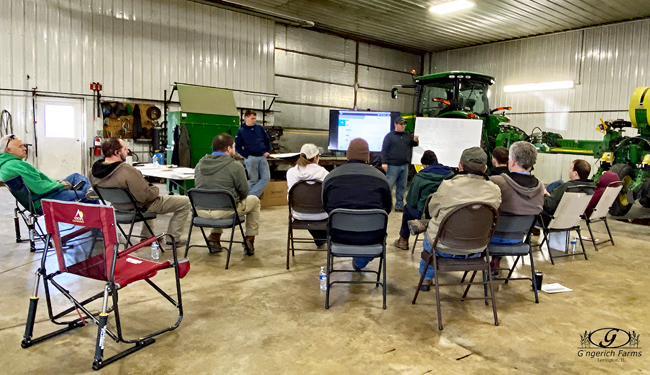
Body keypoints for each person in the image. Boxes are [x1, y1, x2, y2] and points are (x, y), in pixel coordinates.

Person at [418, 147, 501, 291]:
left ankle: (426, 279)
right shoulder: (495, 190)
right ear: (485, 167)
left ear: (460, 165)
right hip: (477, 247)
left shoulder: (447, 186)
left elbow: (432, 211)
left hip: (444, 246)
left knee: (430, 234)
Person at [91, 138, 191, 245]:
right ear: (116, 152)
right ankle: (173, 240)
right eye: (124, 149)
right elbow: (145, 197)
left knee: (144, 198)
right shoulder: (127, 171)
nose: (127, 151)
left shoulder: (93, 172)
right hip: (138, 207)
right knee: (185, 202)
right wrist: (154, 189)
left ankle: (147, 237)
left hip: (117, 206)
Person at [322, 138, 392, 271]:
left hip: (339, 235)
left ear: (347, 154)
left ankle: (360, 261)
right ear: (367, 156)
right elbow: (387, 209)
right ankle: (360, 261)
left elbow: (325, 206)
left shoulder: (331, 177)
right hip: (372, 236)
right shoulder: (381, 179)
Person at [194, 134, 261, 255]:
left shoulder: (199, 165)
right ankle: (249, 239)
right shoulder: (235, 166)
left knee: (217, 200)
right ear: (229, 148)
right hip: (225, 210)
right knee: (254, 200)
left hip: (200, 211)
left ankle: (214, 236)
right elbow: (244, 192)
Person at [489, 141, 544, 273]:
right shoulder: (540, 187)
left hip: (490, 240)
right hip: (519, 241)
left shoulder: (497, 182)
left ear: (511, 162)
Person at [0, 134, 95, 209]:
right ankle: (99, 225)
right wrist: (61, 185)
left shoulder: (7, 165)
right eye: (21, 146)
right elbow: (39, 188)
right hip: (43, 199)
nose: (25, 148)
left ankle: (91, 191)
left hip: (41, 195)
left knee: (75, 177)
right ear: (9, 150)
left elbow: (39, 183)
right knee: (84, 196)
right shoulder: (16, 165)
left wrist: (57, 182)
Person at [393, 150, 452, 250]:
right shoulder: (450, 174)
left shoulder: (421, 176)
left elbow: (411, 200)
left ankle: (403, 240)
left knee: (407, 208)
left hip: (426, 214)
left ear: (424, 165)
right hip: (447, 213)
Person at [286, 143, 329, 249]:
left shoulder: (291, 172)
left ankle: (320, 239)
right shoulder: (325, 174)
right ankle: (322, 238)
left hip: (299, 213)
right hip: (321, 214)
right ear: (315, 157)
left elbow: (289, 197)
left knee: (308, 206)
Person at [381, 116, 419, 212]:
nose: (403, 126)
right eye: (401, 124)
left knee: (401, 187)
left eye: (404, 124)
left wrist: (416, 141)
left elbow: (413, 144)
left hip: (404, 165)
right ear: (395, 125)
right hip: (392, 165)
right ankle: (385, 204)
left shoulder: (406, 136)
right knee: (389, 186)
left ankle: (399, 205)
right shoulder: (389, 137)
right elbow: (384, 150)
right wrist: (384, 163)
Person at [235, 110, 271, 198]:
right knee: (253, 180)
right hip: (251, 158)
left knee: (266, 178)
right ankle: (251, 199)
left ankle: (250, 197)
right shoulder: (241, 131)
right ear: (246, 118)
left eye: (255, 118)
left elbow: (267, 140)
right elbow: (237, 147)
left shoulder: (260, 129)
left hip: (262, 156)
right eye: (252, 118)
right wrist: (246, 155)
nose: (254, 120)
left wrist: (268, 151)